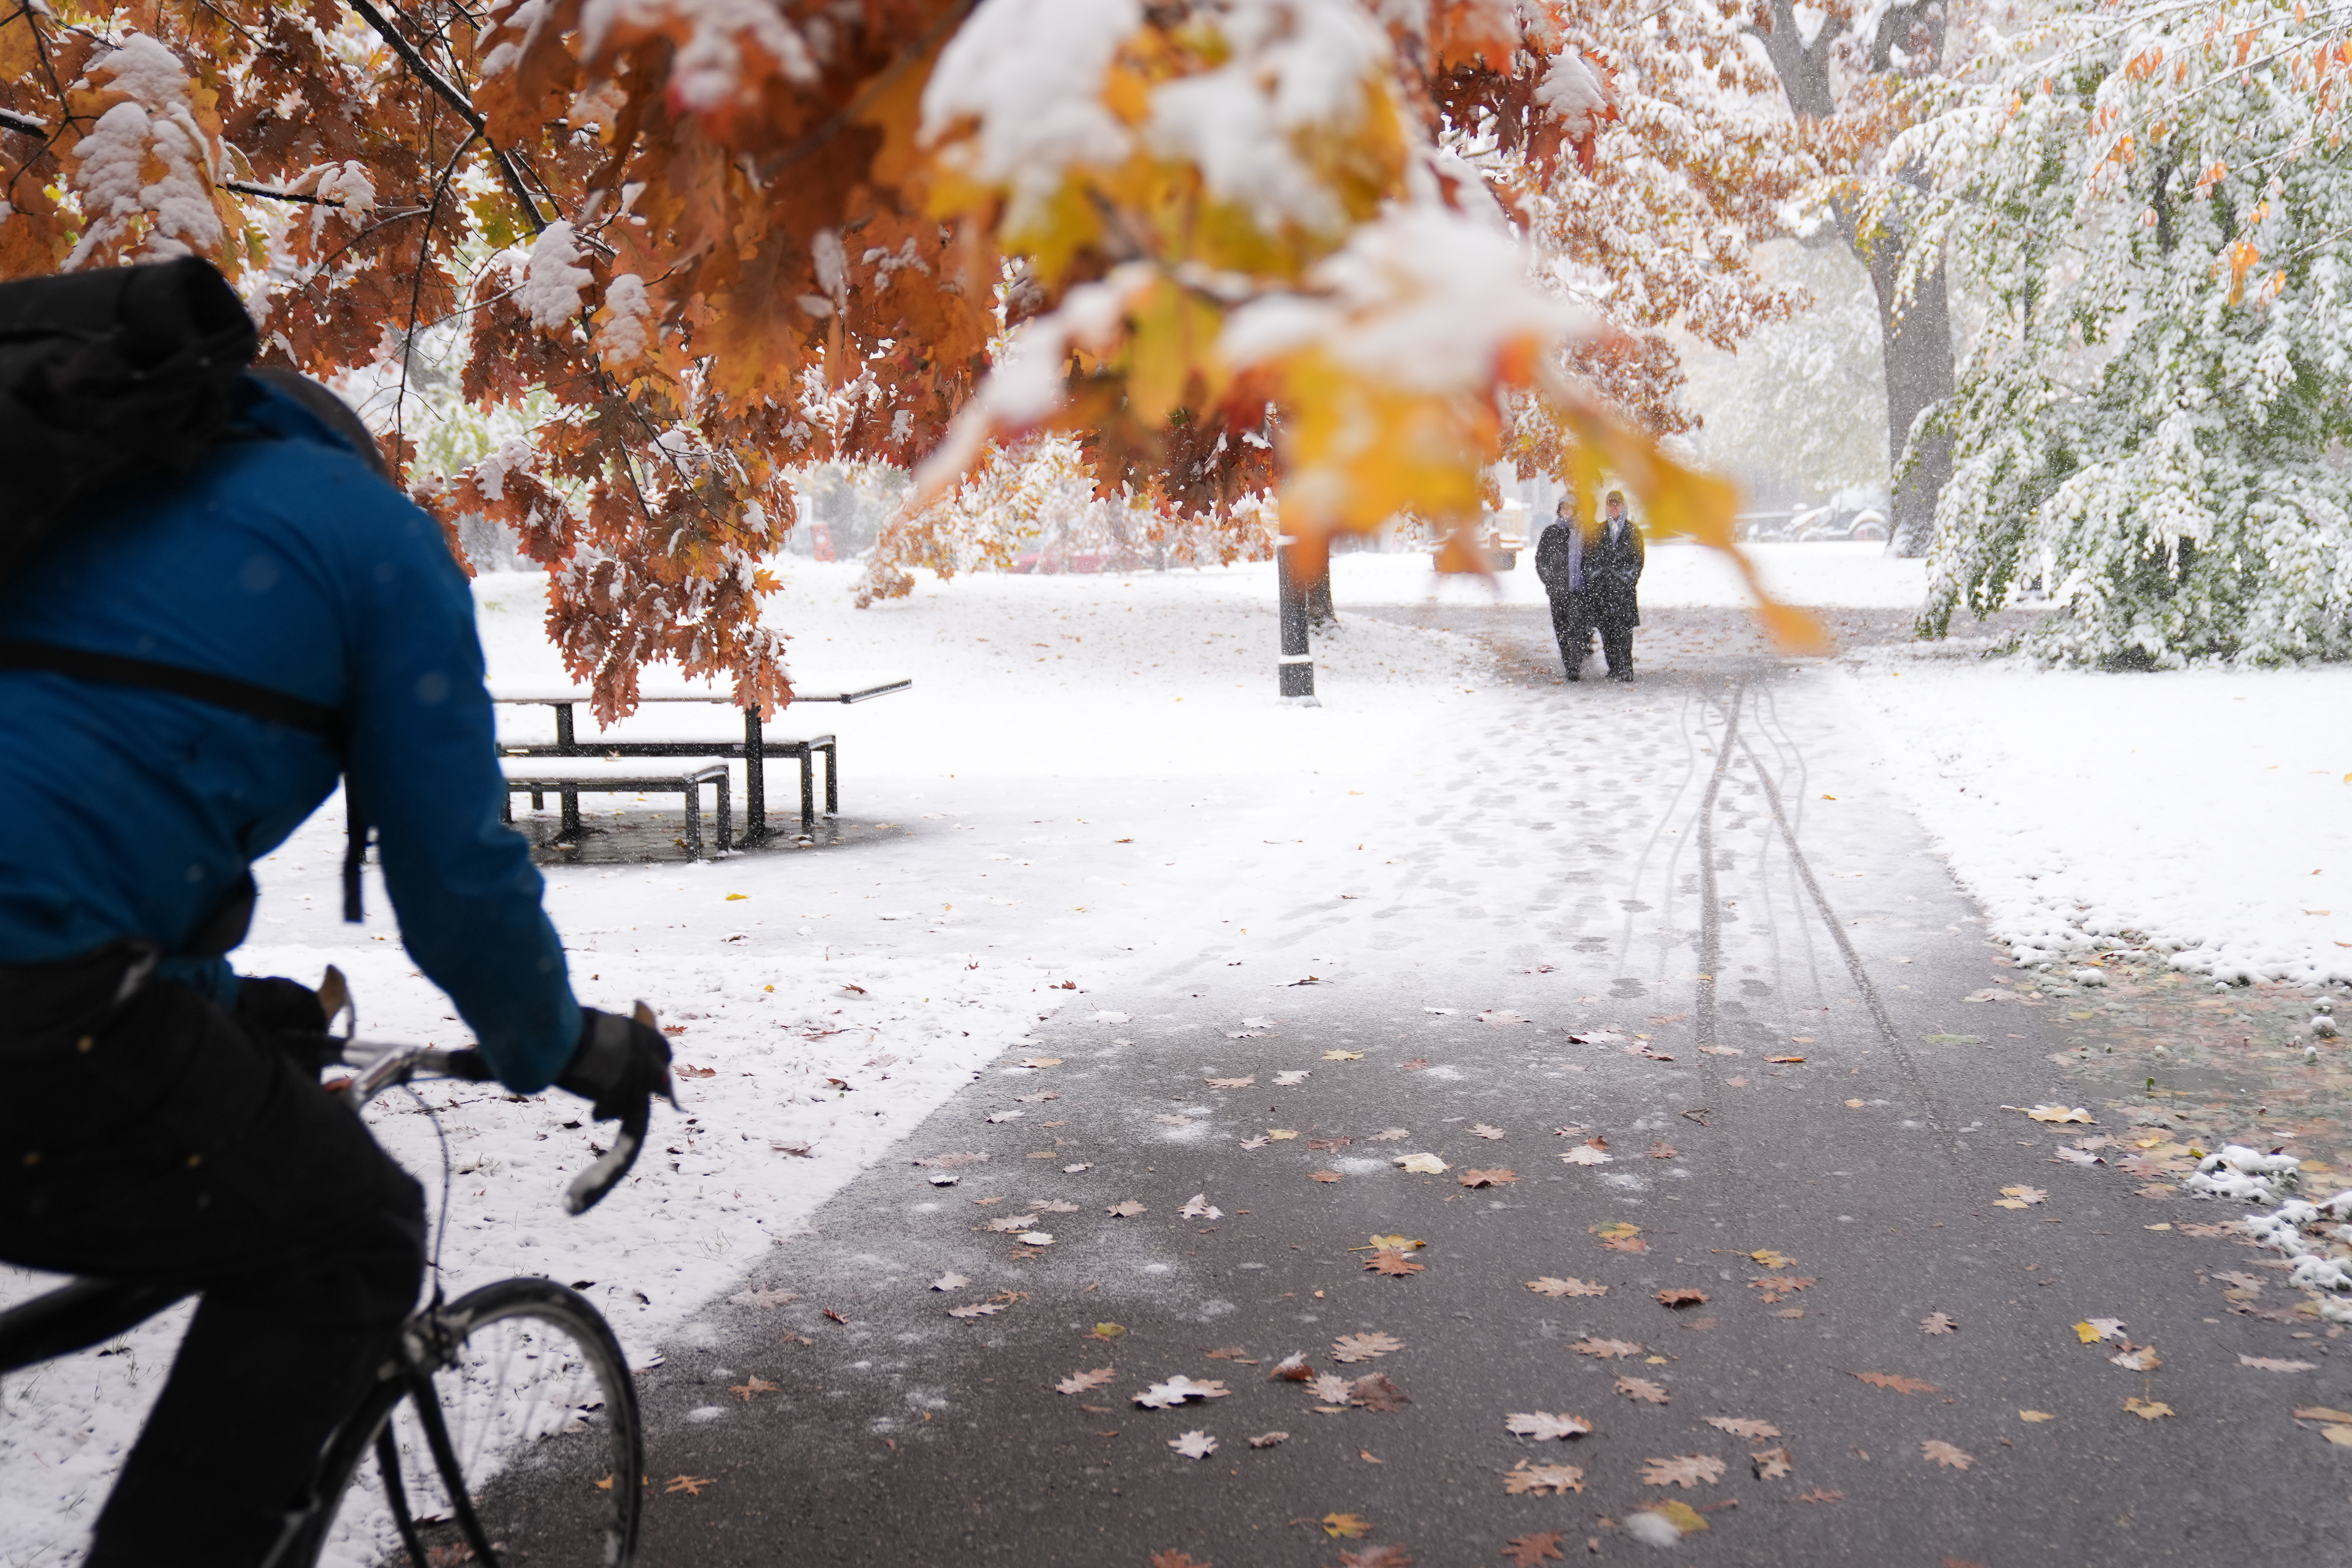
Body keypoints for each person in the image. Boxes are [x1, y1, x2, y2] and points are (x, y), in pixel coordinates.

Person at [0, 261, 674, 1566]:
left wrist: (217, 1011)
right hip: (40, 994)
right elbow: (460, 879)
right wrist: (561, 1044)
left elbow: (81, 806)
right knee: (349, 1239)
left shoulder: (76, 506)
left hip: (68, 972)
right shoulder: (370, 535)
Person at [1534, 489, 1647, 683]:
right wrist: (1553, 583)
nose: (1614, 508)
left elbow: (1637, 562)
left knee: (1622, 632)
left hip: (1619, 593)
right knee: (1603, 632)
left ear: (1624, 506)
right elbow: (1545, 561)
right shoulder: (1595, 531)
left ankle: (1623, 668)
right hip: (1592, 592)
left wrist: (1623, 579)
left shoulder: (1632, 531)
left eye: (1618, 504)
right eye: (1611, 504)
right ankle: (1604, 667)